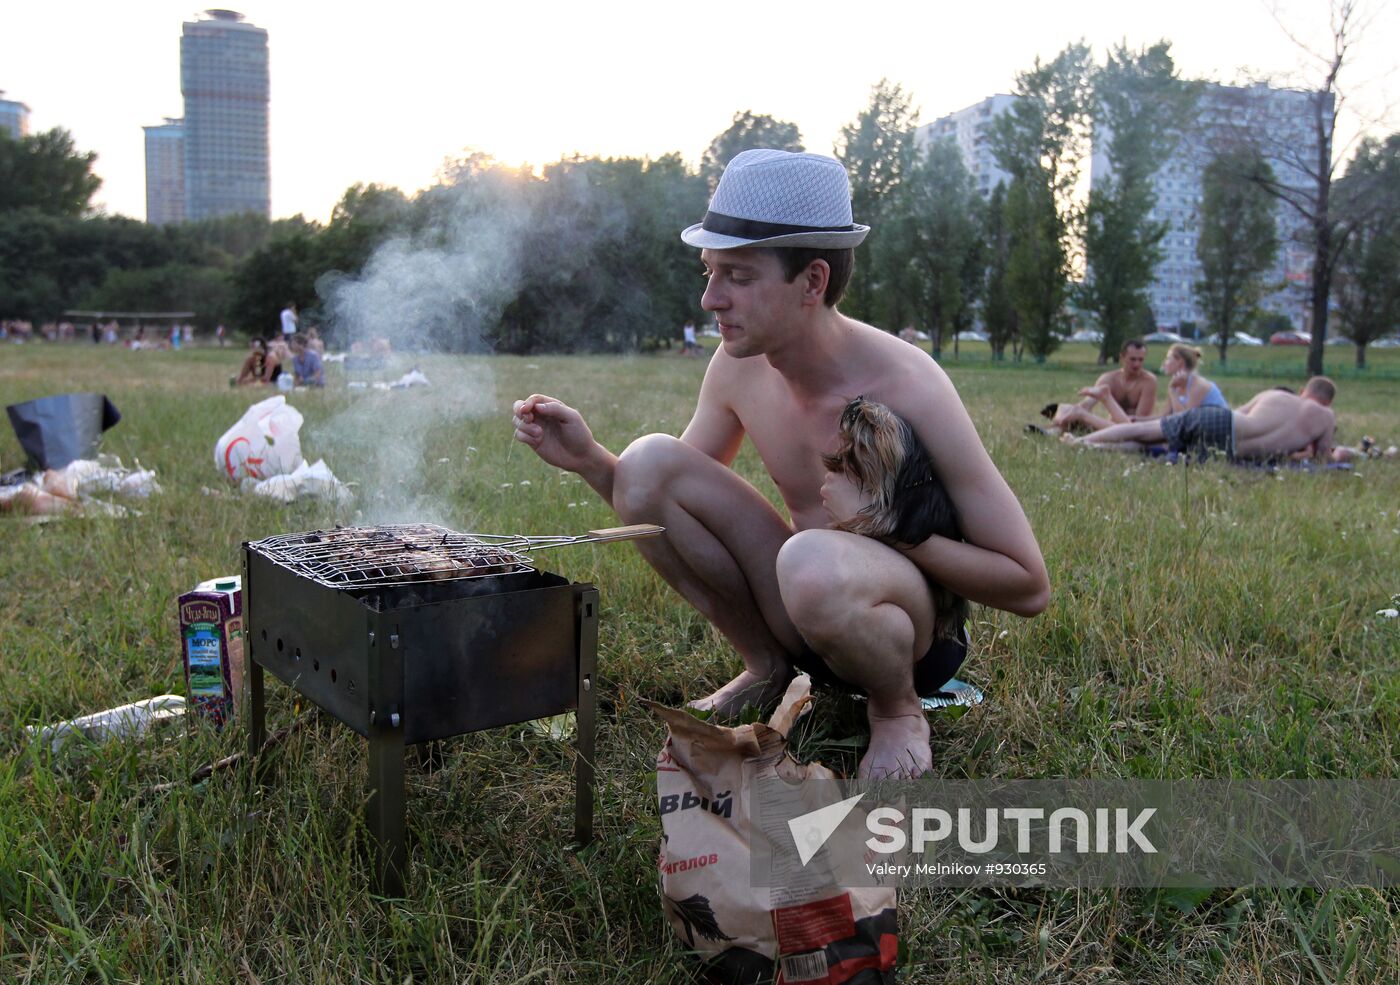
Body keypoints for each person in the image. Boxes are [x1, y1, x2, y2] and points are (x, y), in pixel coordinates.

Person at [513, 149, 1049, 779]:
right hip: (801, 606)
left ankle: (897, 712)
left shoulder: (910, 384)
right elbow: (657, 505)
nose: (712, 298)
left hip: (906, 635)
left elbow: (1028, 586)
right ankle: (767, 667)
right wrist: (591, 462)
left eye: (738, 276)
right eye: (710, 272)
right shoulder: (736, 366)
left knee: (810, 558)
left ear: (813, 282)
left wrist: (886, 527)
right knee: (651, 461)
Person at [1067, 376, 1337, 463]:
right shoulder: (1326, 418)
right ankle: (1087, 445)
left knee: (1145, 432)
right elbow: (1323, 458)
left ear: (1304, 391)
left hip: (1225, 423)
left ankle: (1081, 443)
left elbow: (1239, 412)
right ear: (1327, 401)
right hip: (1232, 454)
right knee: (1153, 446)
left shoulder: (1278, 397)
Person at [1049, 339, 1158, 431]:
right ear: (1122, 357)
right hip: (1109, 426)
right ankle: (1054, 429)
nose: (1137, 364)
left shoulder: (1148, 381)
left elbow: (1139, 420)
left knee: (1083, 416)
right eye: (1133, 359)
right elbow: (1087, 404)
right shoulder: (1108, 378)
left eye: (1141, 360)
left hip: (1134, 429)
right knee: (1075, 415)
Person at [1161, 343, 1228, 415]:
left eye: (1168, 358)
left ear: (1181, 362)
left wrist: (1171, 390)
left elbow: (1183, 421)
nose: (1164, 363)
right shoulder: (1177, 384)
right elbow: (1166, 416)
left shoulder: (1197, 385)